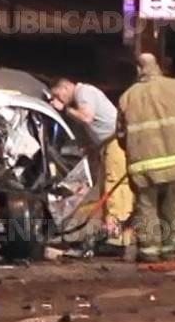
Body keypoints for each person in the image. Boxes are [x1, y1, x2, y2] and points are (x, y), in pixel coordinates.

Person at [117, 53, 175, 261]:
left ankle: (148, 252)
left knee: (146, 208)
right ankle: (168, 248)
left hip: (143, 167)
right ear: (158, 66)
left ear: (138, 69)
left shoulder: (127, 97)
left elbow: (121, 135)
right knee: (169, 207)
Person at [50, 77, 133, 242]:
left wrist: (64, 109)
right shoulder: (83, 95)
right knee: (106, 189)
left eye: (58, 96)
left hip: (115, 142)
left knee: (114, 185)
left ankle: (117, 235)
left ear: (65, 88)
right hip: (107, 144)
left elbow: (87, 117)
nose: (58, 100)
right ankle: (112, 232)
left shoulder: (83, 93)